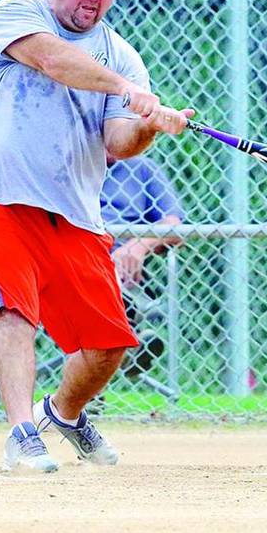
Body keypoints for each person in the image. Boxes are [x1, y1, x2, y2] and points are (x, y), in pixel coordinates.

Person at [0, 0, 194, 472]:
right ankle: (21, 432)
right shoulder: (17, 13)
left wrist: (151, 124)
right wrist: (125, 90)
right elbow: (52, 61)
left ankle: (61, 414)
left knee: (108, 342)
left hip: (74, 210)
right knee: (14, 311)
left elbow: (118, 144)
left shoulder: (123, 56)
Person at [101, 155, 185, 377]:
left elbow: (174, 225)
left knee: (109, 278)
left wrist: (137, 246)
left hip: (122, 266)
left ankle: (116, 344)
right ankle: (126, 345)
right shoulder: (67, 162)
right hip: (74, 257)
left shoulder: (142, 168)